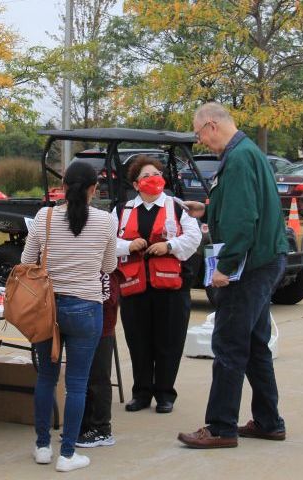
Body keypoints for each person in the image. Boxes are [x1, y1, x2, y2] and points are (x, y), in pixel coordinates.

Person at [178, 102, 289, 448]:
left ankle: (221, 427)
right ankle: (269, 422)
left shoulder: (238, 158)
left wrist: (225, 269)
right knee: (255, 345)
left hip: (250, 267)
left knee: (228, 343)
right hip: (266, 260)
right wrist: (210, 209)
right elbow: (245, 205)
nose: (201, 142)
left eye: (198, 135)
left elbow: (244, 221)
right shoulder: (247, 152)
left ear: (211, 125)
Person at [23, 161, 117, 473]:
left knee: (46, 378)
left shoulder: (44, 216)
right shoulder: (105, 221)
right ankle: (67, 454)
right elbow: (109, 267)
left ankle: (41, 447)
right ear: (94, 189)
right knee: (77, 384)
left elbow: (26, 261)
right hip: (86, 307)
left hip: (47, 308)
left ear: (63, 186)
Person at [115, 156, 202, 414]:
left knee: (169, 341)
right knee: (138, 341)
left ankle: (165, 394)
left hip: (170, 289)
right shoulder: (122, 211)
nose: (153, 179)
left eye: (157, 173)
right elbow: (107, 242)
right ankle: (141, 393)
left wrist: (169, 246)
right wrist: (128, 245)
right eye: (146, 175)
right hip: (134, 287)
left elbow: (193, 237)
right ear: (136, 183)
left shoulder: (176, 207)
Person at [76, 271, 119, 448]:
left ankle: (102, 429)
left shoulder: (106, 269)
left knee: (99, 378)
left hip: (102, 327)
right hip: (84, 325)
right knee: (83, 379)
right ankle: (84, 425)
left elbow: (108, 298)